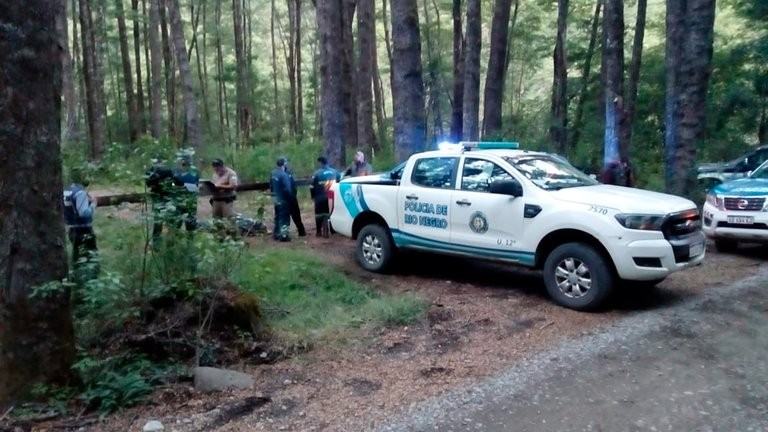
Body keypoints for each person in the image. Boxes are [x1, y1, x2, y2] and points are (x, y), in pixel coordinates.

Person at [63, 169, 99, 281]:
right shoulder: (80, 193)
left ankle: (76, 282)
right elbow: (84, 213)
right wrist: (93, 204)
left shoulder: (66, 191)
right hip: (84, 230)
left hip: (72, 229)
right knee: (92, 257)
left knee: (76, 258)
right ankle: (92, 283)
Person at [145, 156, 183, 241]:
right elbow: (179, 183)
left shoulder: (154, 171)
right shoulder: (166, 171)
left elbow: (177, 183)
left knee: (162, 223)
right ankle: (163, 244)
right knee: (162, 223)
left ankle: (162, 244)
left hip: (163, 198)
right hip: (163, 198)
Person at [310, 156, 340, 237]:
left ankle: (319, 231)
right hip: (332, 197)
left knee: (319, 214)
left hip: (320, 197)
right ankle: (333, 230)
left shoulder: (317, 173)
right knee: (331, 213)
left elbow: (312, 186)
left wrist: (312, 196)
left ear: (320, 162)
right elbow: (340, 182)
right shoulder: (335, 172)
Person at [173, 151, 200, 232]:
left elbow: (196, 185)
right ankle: (173, 241)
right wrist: (178, 186)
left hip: (191, 201)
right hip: (178, 201)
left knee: (191, 224)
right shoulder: (176, 171)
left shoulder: (195, 172)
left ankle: (190, 242)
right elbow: (172, 185)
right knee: (176, 224)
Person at [270, 158, 292, 242]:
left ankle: (276, 233)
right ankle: (284, 235)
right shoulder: (284, 175)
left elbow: (271, 186)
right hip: (283, 199)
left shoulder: (273, 173)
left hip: (276, 198)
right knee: (284, 217)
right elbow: (287, 189)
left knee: (277, 216)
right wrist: (289, 198)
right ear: (284, 164)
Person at [284, 160, 307, 237]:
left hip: (292, 198)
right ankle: (285, 233)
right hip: (286, 198)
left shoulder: (288, 173)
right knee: (286, 216)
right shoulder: (283, 174)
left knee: (296, 215)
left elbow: (293, 185)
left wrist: (294, 194)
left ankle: (301, 231)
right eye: (285, 163)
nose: (286, 164)